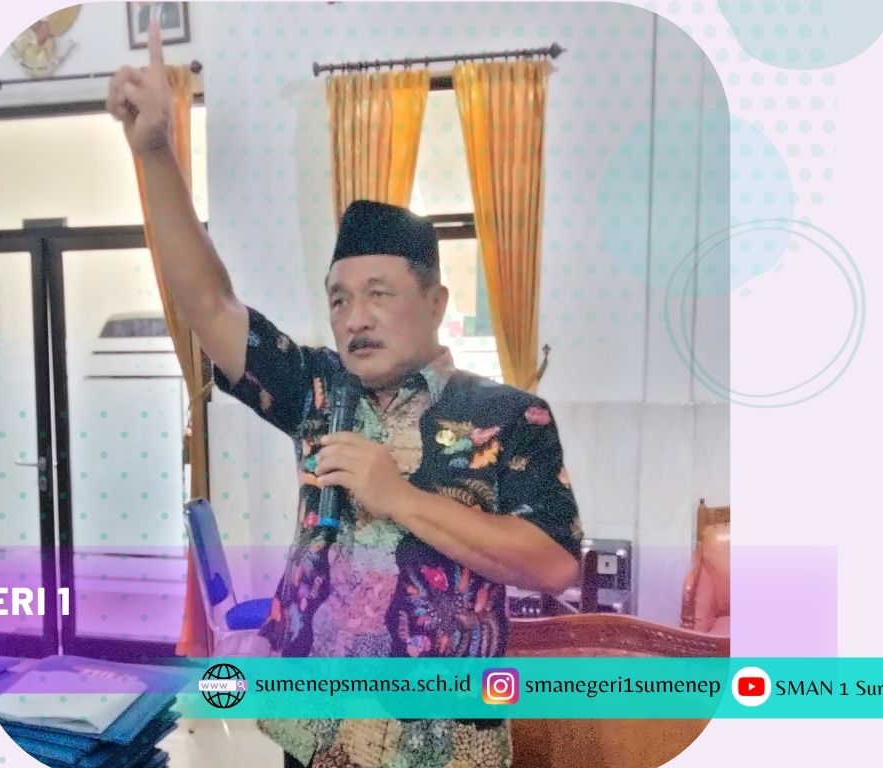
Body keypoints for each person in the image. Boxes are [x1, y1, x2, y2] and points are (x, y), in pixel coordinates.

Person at [108, 19, 583, 768]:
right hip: (313, 734)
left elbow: (554, 564)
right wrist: (155, 153)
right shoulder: (318, 389)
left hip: (438, 747)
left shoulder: (507, 413)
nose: (354, 317)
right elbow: (209, 304)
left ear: (435, 302)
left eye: (378, 294)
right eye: (338, 299)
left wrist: (399, 498)